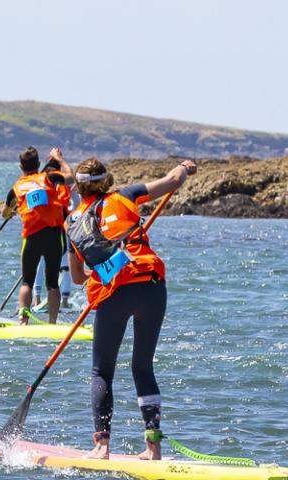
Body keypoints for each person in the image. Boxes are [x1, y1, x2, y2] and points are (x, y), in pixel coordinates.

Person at [66, 157, 196, 460]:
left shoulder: (71, 221)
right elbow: (173, 181)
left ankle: (102, 446)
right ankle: (153, 448)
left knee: (102, 371)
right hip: (152, 284)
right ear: (106, 180)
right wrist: (185, 167)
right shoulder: (126, 195)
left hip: (115, 292)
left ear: (78, 186)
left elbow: (75, 277)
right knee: (142, 367)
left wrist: (100, 271)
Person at [2, 147, 75, 325]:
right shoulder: (49, 178)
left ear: (21, 166)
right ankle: (52, 322)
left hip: (31, 238)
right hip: (53, 236)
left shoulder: (16, 187)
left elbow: (5, 213)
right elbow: (71, 177)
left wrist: (12, 211)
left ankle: (23, 320)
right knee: (52, 283)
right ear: (39, 164)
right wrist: (60, 159)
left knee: (27, 281)